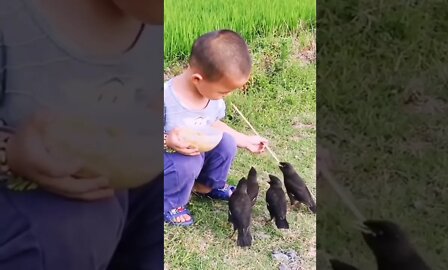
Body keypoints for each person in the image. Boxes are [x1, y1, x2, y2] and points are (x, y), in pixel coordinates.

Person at [0, 0, 164, 269]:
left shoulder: (155, 28)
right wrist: (10, 152)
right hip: (23, 204)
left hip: (111, 187)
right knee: (76, 225)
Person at [163, 29, 268, 226]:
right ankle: (170, 203)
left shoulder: (212, 97)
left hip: (194, 152)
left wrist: (245, 140)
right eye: (223, 91)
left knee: (226, 142)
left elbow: (213, 123)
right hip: (166, 159)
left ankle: (205, 186)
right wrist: (167, 140)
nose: (226, 95)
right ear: (197, 80)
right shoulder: (165, 99)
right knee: (187, 163)